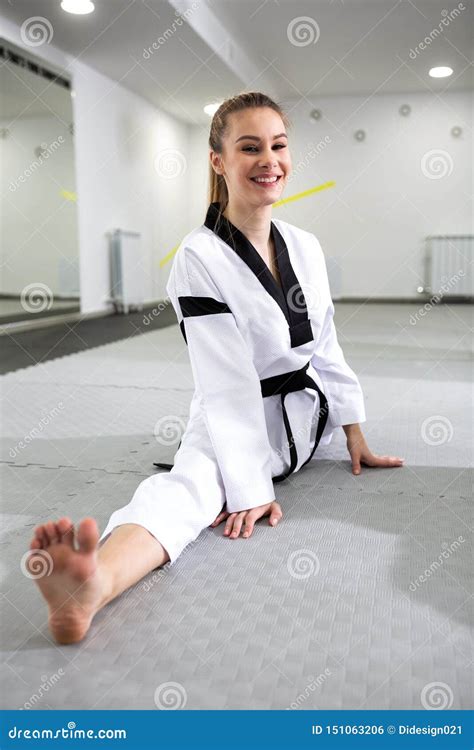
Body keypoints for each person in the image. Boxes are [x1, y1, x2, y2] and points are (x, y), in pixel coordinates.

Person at [26, 92, 404, 644]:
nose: (269, 160)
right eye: (249, 147)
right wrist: (249, 487)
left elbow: (325, 344)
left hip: (304, 419)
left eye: (278, 145)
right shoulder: (198, 257)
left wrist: (353, 429)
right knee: (194, 487)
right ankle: (93, 585)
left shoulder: (306, 245)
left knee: (217, 481)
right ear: (219, 161)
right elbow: (226, 385)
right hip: (233, 412)